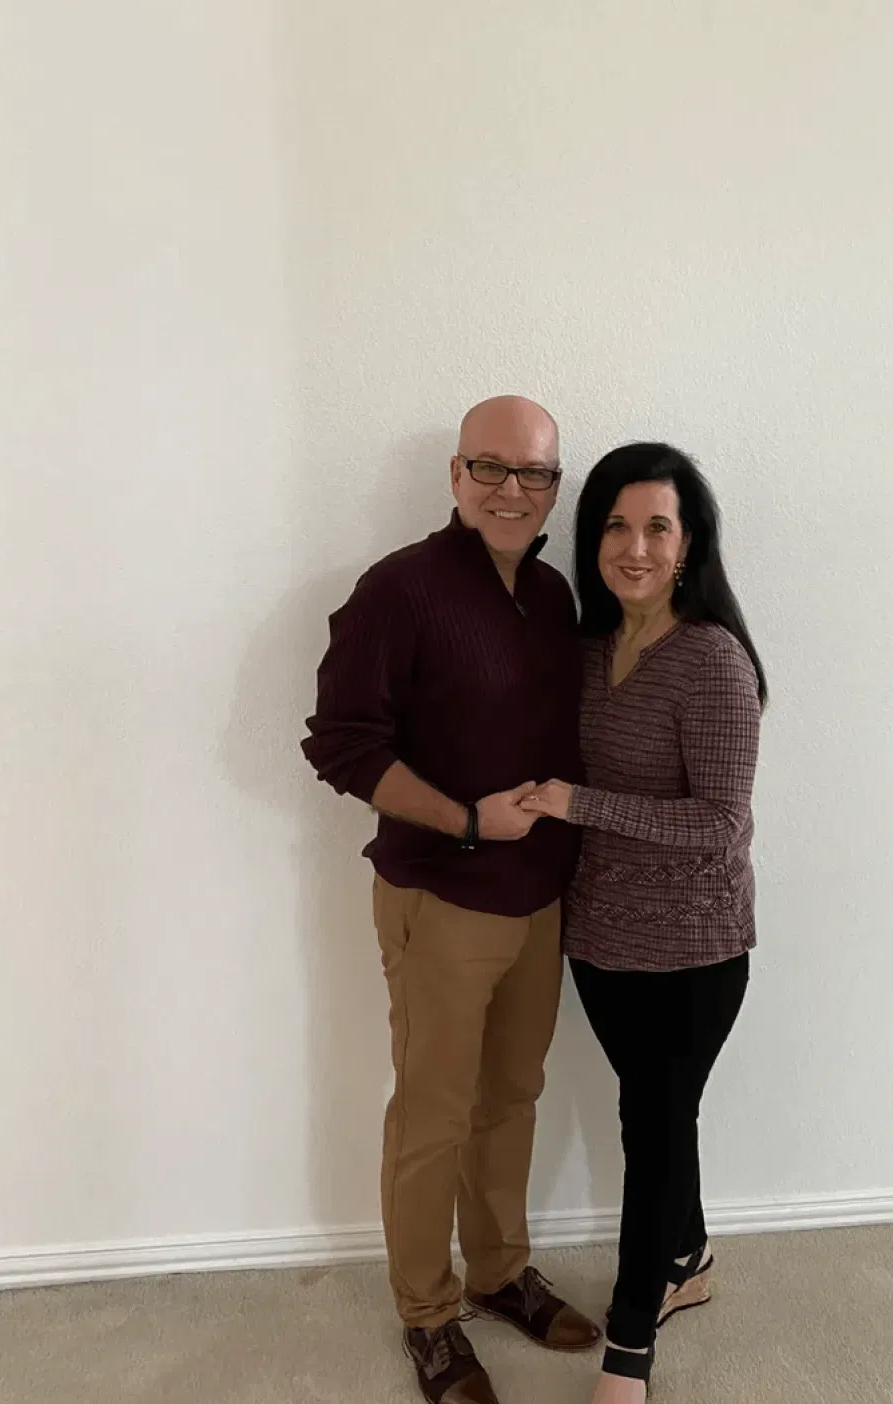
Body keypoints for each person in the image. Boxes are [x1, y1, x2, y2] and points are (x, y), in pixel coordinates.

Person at [301, 396, 601, 1404]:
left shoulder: (556, 596)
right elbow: (341, 743)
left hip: (539, 896)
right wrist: (466, 822)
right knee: (433, 1113)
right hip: (441, 894)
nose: (515, 491)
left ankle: (501, 1272)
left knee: (511, 1099)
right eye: (493, 468)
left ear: (556, 484)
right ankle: (428, 1316)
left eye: (536, 473)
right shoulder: (400, 591)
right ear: (456, 475)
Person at [521, 443, 767, 1404]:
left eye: (655, 526)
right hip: (601, 941)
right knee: (662, 1115)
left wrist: (578, 804)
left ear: (688, 541)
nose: (633, 546)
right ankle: (690, 1255)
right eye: (615, 526)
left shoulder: (709, 659)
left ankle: (630, 1343)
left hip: (694, 950)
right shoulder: (585, 650)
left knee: (650, 1125)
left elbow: (719, 825)